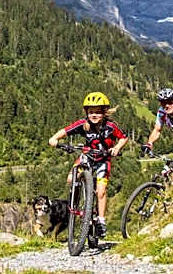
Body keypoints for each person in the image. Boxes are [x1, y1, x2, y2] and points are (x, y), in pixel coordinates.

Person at [48, 91, 128, 238]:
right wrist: (54, 139)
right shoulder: (83, 124)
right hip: (87, 155)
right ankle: (77, 202)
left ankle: (101, 221)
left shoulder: (110, 126)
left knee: (101, 190)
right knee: (71, 179)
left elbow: (123, 137)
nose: (94, 115)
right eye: (91, 112)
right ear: (86, 112)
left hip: (104, 159)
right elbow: (64, 131)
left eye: (98, 112)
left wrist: (117, 148)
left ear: (104, 112)